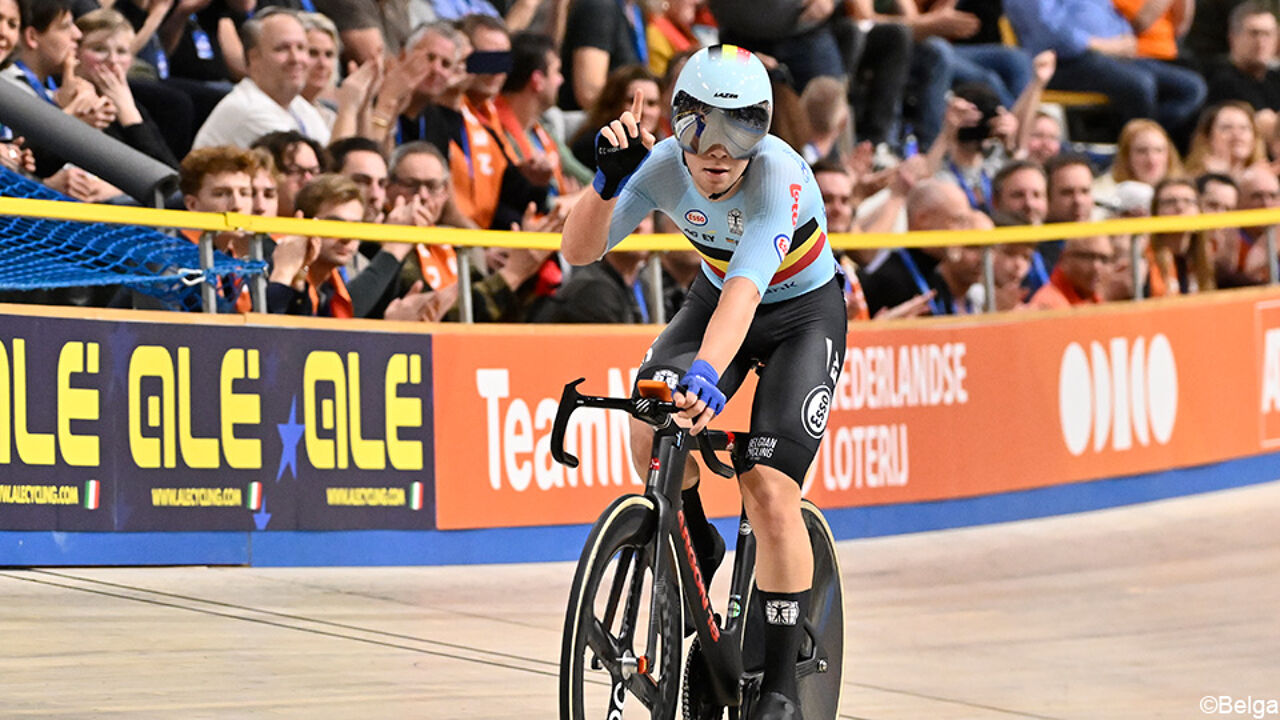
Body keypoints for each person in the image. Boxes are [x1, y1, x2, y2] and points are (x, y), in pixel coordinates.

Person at [560, 45, 845, 720]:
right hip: (715, 298)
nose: (718, 152)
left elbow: (746, 297)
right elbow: (578, 252)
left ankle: (777, 686)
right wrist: (605, 187)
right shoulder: (662, 166)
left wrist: (708, 376)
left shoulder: (780, 178)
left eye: (742, 128)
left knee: (769, 490)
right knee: (646, 423)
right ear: (676, 122)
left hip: (799, 315)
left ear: (765, 129)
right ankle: (698, 539)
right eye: (701, 129)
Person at [192, 8, 330, 149]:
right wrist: (348, 108)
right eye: (282, 48)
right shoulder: (247, 109)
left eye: (301, 48)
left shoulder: (300, 106)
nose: (295, 59)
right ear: (254, 58)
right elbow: (312, 167)